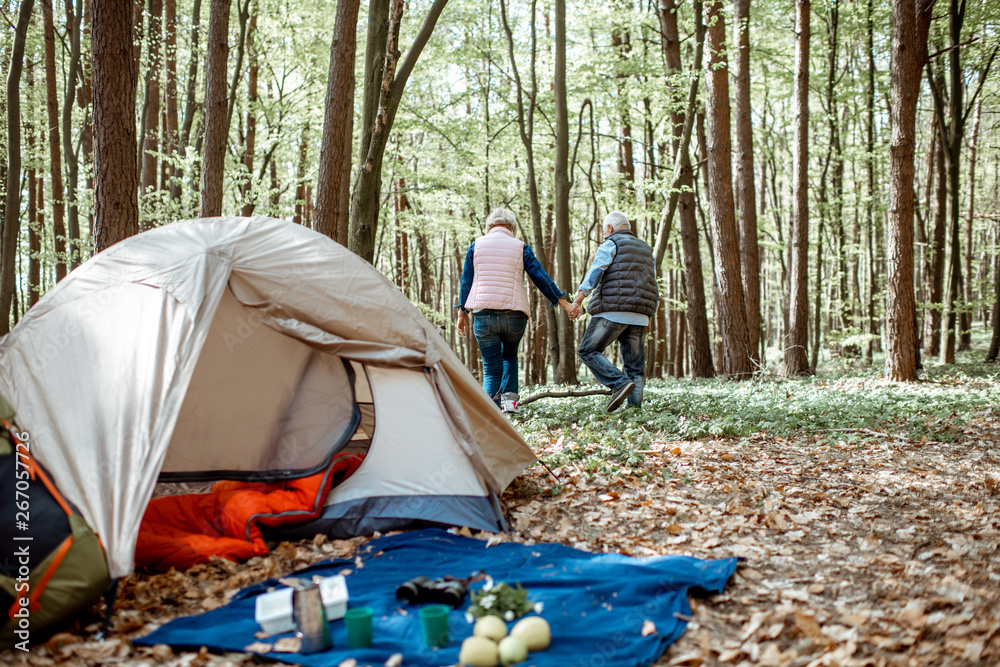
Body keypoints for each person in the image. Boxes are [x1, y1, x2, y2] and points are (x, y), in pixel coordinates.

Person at [456, 208, 580, 410]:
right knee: (510, 356)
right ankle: (510, 406)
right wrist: (564, 303)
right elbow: (540, 277)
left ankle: (493, 415)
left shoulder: (476, 246)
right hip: (514, 316)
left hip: (483, 314)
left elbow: (466, 282)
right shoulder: (520, 247)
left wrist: (462, 313)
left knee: (491, 369)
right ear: (512, 227)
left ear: (489, 227)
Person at [571, 211, 659, 412]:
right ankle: (634, 413)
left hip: (612, 311)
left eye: (604, 230)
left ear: (610, 228)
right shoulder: (647, 249)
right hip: (640, 316)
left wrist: (578, 300)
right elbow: (653, 285)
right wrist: (650, 315)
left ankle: (618, 383)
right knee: (635, 368)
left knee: (587, 350)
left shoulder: (612, 243)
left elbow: (595, 272)